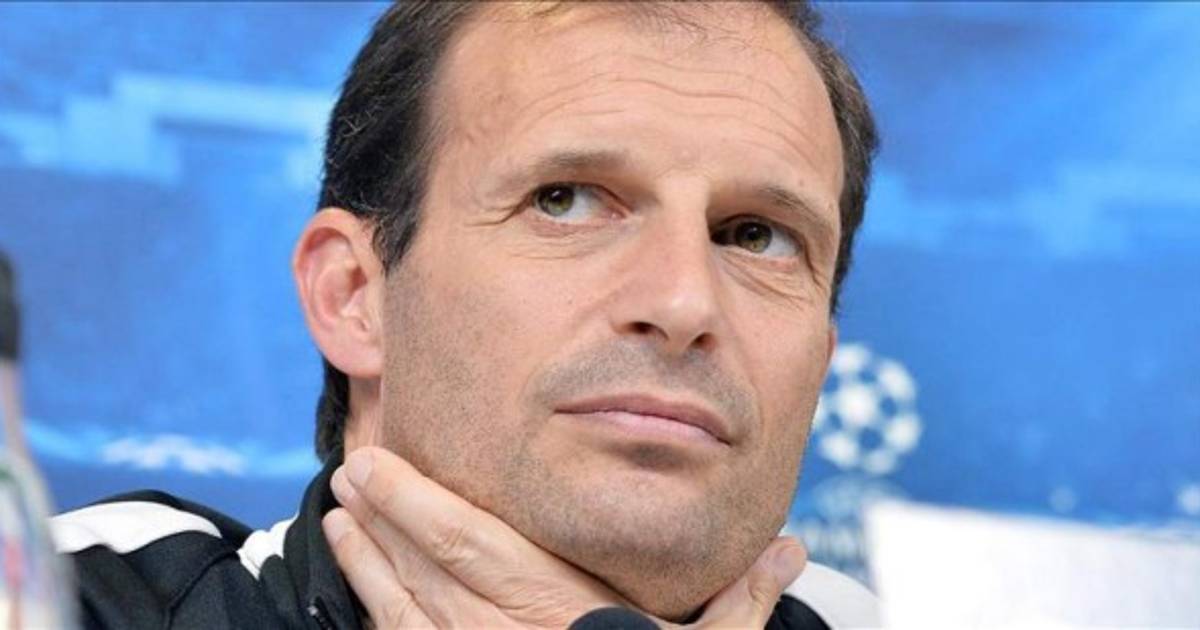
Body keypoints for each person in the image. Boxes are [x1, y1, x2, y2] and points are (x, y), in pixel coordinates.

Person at [53, 1, 880, 628]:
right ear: (354, 295)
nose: (683, 302)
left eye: (756, 236)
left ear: (821, 355)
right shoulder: (66, 596)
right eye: (564, 200)